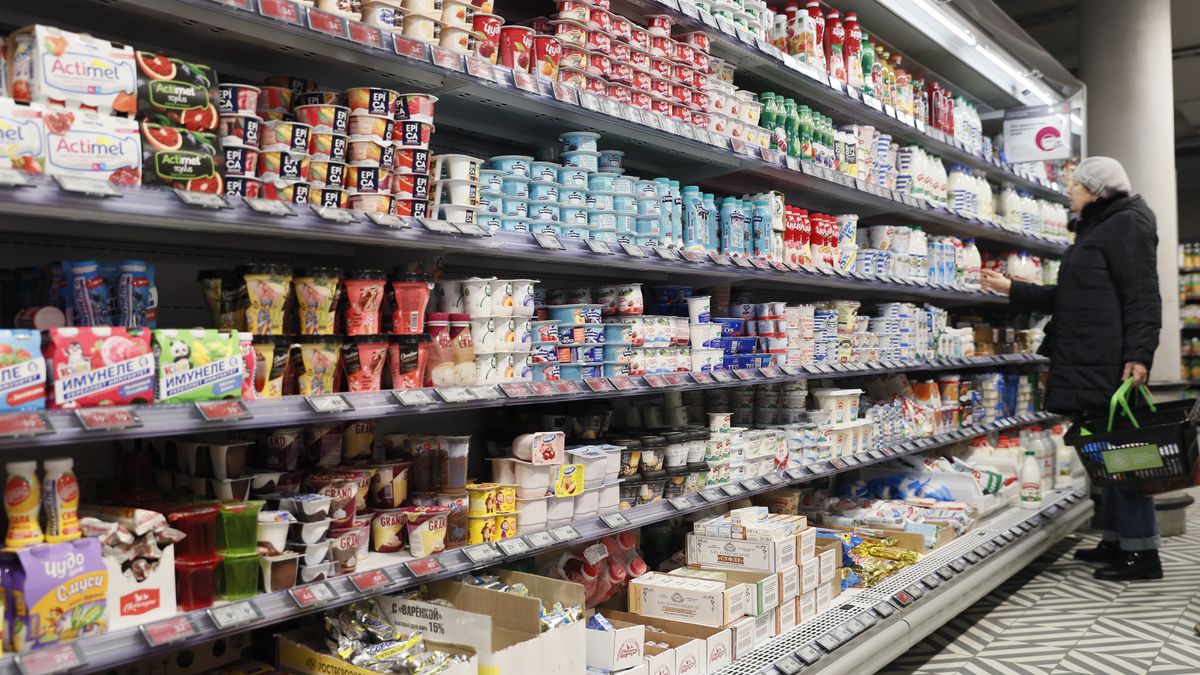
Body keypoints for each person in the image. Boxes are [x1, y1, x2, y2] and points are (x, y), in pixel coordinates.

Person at [982, 156, 1163, 581]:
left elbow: (1143, 296)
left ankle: (1142, 553)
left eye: (1075, 185)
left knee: (1124, 455)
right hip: (1089, 356)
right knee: (1104, 452)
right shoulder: (1100, 226)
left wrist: (1139, 355)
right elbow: (1073, 295)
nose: (1068, 191)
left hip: (1110, 361)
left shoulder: (1129, 223)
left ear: (1095, 190)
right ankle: (1117, 541)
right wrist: (1016, 290)